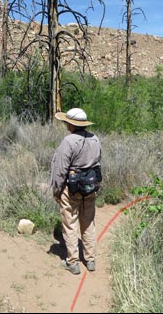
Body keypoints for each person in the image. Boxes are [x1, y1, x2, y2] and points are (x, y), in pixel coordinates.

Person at [50, 108, 102, 275]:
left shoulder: (68, 141)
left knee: (70, 224)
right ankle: (90, 259)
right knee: (88, 223)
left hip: (71, 189)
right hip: (90, 187)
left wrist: (57, 191)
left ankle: (72, 262)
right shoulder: (95, 139)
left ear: (71, 123)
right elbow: (98, 163)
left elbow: (60, 169)